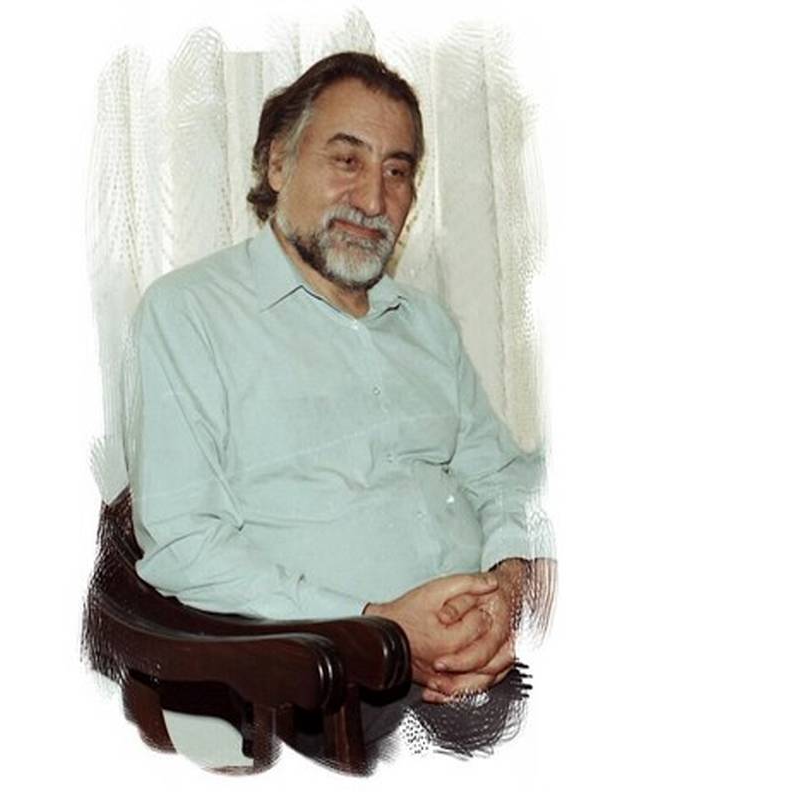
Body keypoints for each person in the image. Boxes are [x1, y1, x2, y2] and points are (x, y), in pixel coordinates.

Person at [122, 51, 553, 755]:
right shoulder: (189, 315)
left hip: (501, 654)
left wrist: (512, 587)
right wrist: (375, 627)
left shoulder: (426, 323)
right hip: (340, 693)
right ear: (277, 163)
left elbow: (501, 475)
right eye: (347, 160)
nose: (375, 200)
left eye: (397, 171)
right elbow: (185, 544)